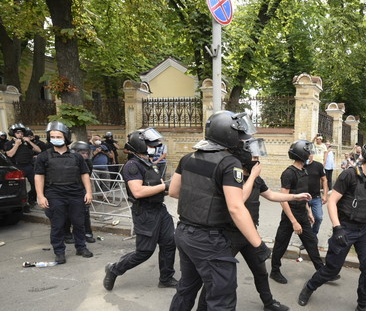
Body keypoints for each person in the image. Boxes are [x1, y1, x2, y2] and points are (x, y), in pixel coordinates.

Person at [168, 111, 271, 311]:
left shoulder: (188, 158)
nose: (243, 140)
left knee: (186, 289)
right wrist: (259, 245)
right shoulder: (229, 163)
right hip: (209, 241)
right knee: (221, 300)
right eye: (240, 135)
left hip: (184, 234)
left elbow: (173, 191)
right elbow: (236, 206)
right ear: (228, 135)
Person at [297, 138, 366, 310]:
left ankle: (363, 305)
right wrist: (337, 228)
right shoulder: (349, 175)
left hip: (364, 230)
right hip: (345, 228)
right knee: (332, 270)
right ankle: (309, 287)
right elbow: (333, 201)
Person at [197, 142, 311, 311]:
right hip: (229, 235)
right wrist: (252, 177)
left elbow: (271, 194)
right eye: (255, 157)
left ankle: (268, 303)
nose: (258, 161)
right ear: (243, 157)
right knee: (216, 277)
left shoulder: (255, 178)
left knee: (261, 272)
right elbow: (239, 199)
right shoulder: (231, 176)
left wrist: (295, 197)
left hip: (249, 233)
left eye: (258, 157)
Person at [103, 128, 177, 291]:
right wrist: (164, 186)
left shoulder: (149, 162)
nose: (154, 147)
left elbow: (155, 187)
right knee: (145, 251)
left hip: (159, 209)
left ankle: (166, 278)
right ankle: (114, 269)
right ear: (140, 145)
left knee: (169, 243)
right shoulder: (132, 165)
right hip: (144, 212)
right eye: (150, 144)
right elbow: (138, 191)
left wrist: (172, 189)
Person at [270, 140, 329, 284]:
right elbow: (283, 199)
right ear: (302, 154)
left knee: (310, 243)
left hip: (302, 212)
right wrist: (293, 221)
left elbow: (303, 194)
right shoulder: (289, 173)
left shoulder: (304, 171)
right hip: (290, 215)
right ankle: (274, 271)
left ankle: (322, 272)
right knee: (281, 244)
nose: (310, 155)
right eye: (308, 152)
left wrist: (308, 211)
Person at [34, 121, 93, 264]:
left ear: (65, 137)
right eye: (52, 136)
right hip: (55, 194)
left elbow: (84, 174)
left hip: (75, 193)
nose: (55, 138)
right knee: (58, 225)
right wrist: (40, 196)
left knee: (79, 223)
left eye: (59, 136)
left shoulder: (76, 156)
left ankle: (81, 247)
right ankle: (59, 252)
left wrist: (88, 192)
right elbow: (39, 176)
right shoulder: (44, 156)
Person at [64, 141, 96, 244]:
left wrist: (88, 192)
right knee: (67, 214)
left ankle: (87, 232)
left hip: (81, 190)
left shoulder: (88, 163)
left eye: (87, 153)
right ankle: (67, 233)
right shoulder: (68, 161)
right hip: (68, 190)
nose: (85, 155)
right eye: (82, 153)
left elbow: (86, 177)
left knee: (85, 212)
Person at [5, 122, 42, 211]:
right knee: (20, 187)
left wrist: (29, 142)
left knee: (35, 184)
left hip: (28, 166)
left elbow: (39, 150)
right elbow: (10, 154)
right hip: (17, 167)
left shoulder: (26, 142)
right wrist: (17, 145)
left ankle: (31, 200)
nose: (20, 134)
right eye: (18, 133)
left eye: (21, 133)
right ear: (13, 133)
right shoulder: (9, 143)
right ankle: (23, 205)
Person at [304, 152, 329, 238]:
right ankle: (307, 238)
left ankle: (313, 235)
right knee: (305, 219)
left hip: (316, 198)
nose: (308, 156)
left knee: (318, 217)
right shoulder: (301, 166)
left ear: (312, 155)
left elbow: (324, 180)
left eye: (310, 154)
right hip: (303, 198)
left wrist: (325, 195)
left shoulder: (318, 166)